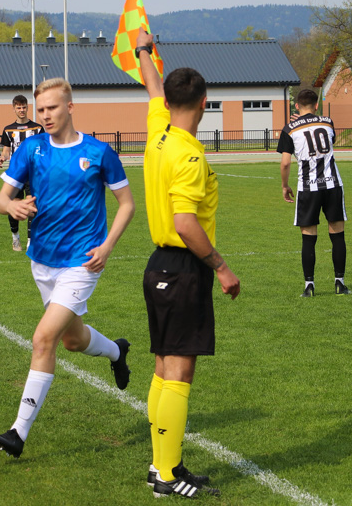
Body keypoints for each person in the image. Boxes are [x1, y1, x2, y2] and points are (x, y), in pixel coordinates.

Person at [0, 78, 136, 460]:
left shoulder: (99, 152)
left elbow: (127, 204)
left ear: (70, 107)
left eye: (51, 108)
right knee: (72, 340)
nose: (45, 116)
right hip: (42, 260)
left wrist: (106, 246)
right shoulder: (31, 149)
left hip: (82, 263)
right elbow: (0, 200)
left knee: (43, 339)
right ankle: (117, 353)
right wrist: (13, 207)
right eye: (40, 110)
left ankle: (17, 432)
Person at [136, 28, 240, 499]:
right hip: (182, 269)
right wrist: (220, 266)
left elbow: (152, 85)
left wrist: (144, 49)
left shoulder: (159, 131)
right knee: (178, 371)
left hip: (158, 266)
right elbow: (184, 221)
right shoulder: (189, 154)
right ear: (203, 103)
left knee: (163, 367)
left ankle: (165, 464)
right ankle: (165, 476)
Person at [277, 88, 350, 297]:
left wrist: (284, 186)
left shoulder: (289, 128)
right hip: (332, 184)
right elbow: (324, 142)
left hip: (308, 188)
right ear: (317, 105)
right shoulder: (327, 122)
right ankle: (340, 283)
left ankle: (309, 286)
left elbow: (284, 163)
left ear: (296, 106)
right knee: (337, 235)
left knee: (309, 237)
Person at [0, 94, 45, 251]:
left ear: (27, 108)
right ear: (14, 109)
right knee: (14, 205)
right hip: (16, 173)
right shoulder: (8, 129)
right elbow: (6, 151)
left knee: (32, 205)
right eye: (18, 107)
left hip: (33, 173)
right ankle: (15, 237)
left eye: (24, 107)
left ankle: (31, 241)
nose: (22, 110)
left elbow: (44, 149)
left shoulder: (37, 129)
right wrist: (2, 158)